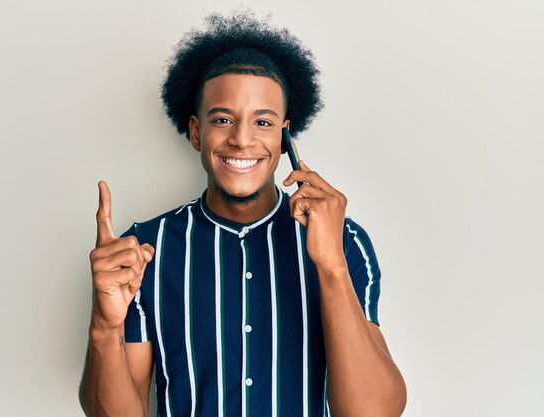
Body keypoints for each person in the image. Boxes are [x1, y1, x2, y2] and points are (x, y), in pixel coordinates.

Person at [79, 10, 406, 417]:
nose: (241, 139)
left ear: (285, 136)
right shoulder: (144, 250)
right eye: (223, 119)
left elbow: (373, 412)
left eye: (263, 122)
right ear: (196, 131)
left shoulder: (343, 239)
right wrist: (104, 326)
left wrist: (331, 266)